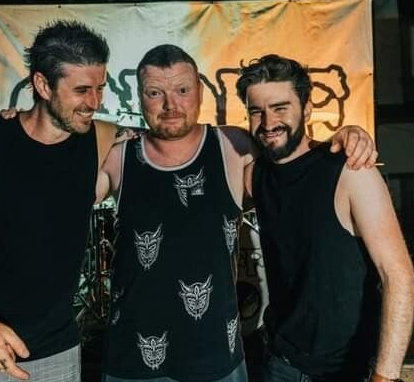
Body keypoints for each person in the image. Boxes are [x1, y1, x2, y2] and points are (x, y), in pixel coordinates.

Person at [95, 44, 377, 382]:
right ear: (139, 96)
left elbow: (294, 160)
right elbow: (62, 194)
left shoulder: (232, 146)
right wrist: (99, 129)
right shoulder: (119, 156)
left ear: (200, 93)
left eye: (182, 90)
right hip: (131, 360)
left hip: (217, 359)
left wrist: (343, 139)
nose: (170, 105)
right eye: (155, 93)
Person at [0, 20, 118, 382]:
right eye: (82, 90)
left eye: (100, 88)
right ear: (43, 85)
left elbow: (170, 140)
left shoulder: (102, 139)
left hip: (54, 355)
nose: (94, 102)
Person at [235, 54, 414, 382]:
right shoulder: (254, 176)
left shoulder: (350, 170)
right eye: (257, 111)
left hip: (346, 370)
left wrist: (385, 377)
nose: (268, 122)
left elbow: (398, 274)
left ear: (307, 109)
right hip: (281, 363)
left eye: (280, 108)